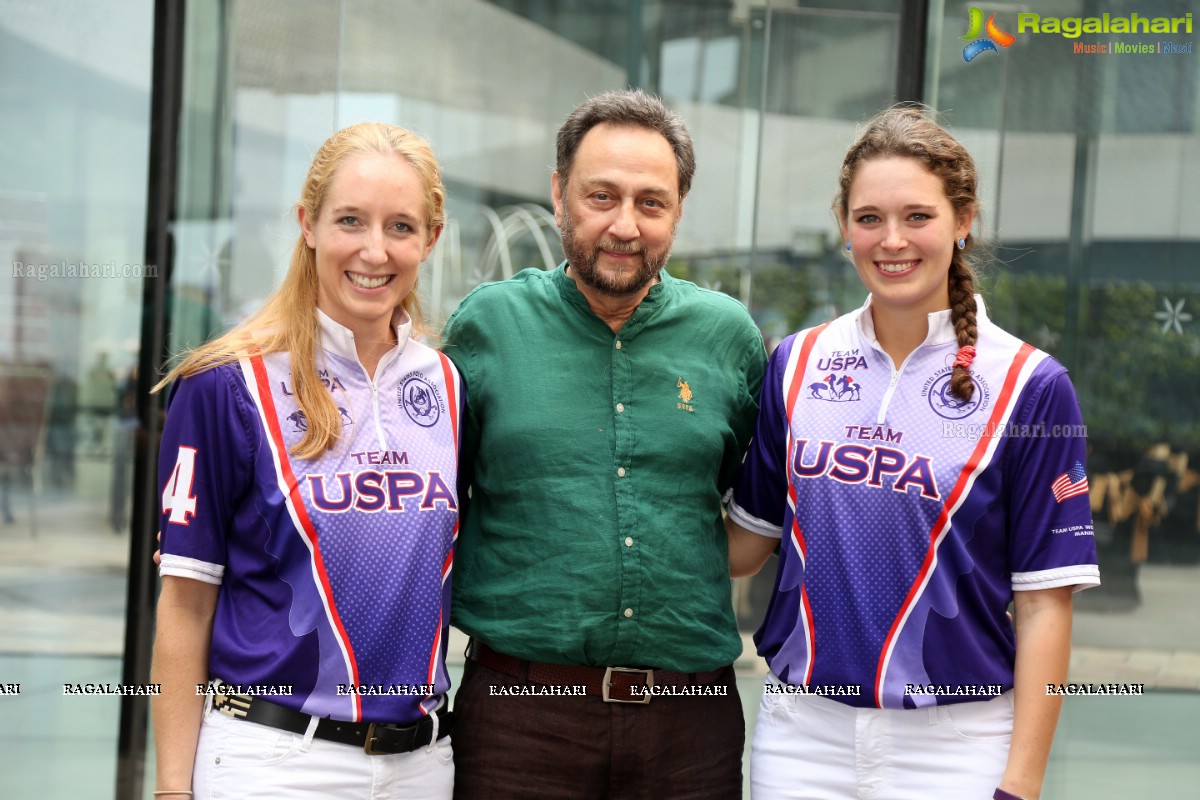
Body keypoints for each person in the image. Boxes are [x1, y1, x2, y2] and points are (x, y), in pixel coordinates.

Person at [725, 105, 1100, 800]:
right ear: (844, 226)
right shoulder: (797, 362)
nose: (891, 240)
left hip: (957, 747)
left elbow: (1046, 606)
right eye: (869, 218)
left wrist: (1021, 785)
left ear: (963, 221)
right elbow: (743, 548)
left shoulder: (1031, 385)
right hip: (801, 735)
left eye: (917, 217)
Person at [441, 89, 767, 799]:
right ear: (559, 195)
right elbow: (431, 510)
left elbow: (762, 509)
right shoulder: (487, 327)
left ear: (678, 208)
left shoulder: (730, 338)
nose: (625, 226)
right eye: (602, 196)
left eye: (651, 202)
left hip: (692, 725)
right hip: (520, 721)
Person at [150, 123, 461, 799]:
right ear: (308, 224)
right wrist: (173, 789)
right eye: (350, 220)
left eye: (401, 227)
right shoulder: (226, 386)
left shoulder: (451, 386)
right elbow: (184, 607)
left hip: (424, 765)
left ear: (430, 240)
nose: (374, 250)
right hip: (276, 763)